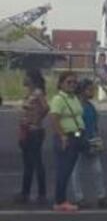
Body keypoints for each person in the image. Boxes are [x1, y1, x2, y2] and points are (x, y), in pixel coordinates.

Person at [69, 78, 107, 208]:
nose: (92, 91)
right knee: (76, 170)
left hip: (92, 139)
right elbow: (74, 126)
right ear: (82, 91)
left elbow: (94, 124)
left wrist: (97, 138)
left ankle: (101, 196)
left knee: (97, 170)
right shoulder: (76, 106)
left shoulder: (90, 106)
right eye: (89, 89)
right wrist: (77, 138)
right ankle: (79, 197)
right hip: (79, 140)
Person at [48, 72, 84, 213]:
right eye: (69, 82)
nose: (72, 85)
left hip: (76, 135)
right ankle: (60, 201)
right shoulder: (59, 99)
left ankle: (62, 199)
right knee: (63, 170)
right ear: (61, 84)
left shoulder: (74, 98)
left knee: (68, 170)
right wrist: (62, 136)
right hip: (66, 137)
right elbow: (54, 118)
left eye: (74, 82)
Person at [16, 68, 49, 204]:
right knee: (28, 164)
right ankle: (25, 192)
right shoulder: (29, 93)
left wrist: (37, 119)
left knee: (36, 162)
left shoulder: (37, 93)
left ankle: (41, 194)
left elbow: (46, 107)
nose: (24, 78)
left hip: (34, 131)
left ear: (31, 79)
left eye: (26, 76)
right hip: (26, 130)